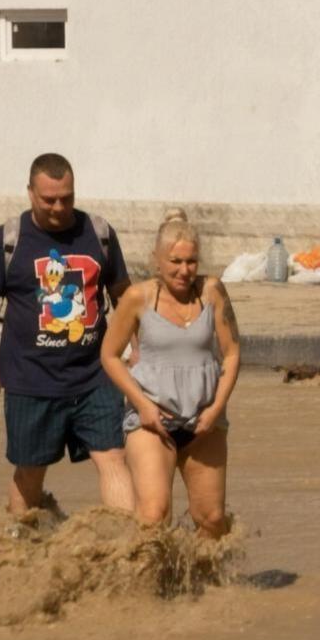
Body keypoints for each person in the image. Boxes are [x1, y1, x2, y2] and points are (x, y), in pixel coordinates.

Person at [0, 153, 135, 515]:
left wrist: (138, 349)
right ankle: (19, 547)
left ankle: (131, 548)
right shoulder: (9, 239)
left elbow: (124, 296)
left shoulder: (99, 233)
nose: (59, 207)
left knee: (113, 456)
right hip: (30, 379)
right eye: (49, 200)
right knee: (30, 470)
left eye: (67, 198)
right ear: (30, 193)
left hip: (96, 375)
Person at [100, 209, 240, 539]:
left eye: (191, 262)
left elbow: (232, 354)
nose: (184, 270)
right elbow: (109, 356)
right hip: (152, 421)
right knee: (153, 514)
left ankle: (206, 584)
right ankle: (148, 584)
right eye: (175, 261)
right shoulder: (138, 298)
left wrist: (215, 409)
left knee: (212, 518)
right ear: (157, 260)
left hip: (204, 421)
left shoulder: (213, 292)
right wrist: (143, 406)